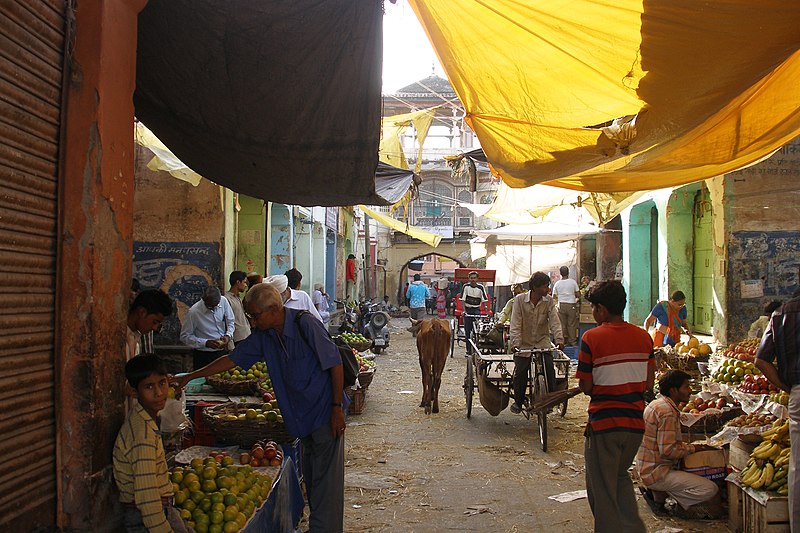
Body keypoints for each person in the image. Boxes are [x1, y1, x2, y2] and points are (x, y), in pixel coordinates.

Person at [174, 284, 346, 533]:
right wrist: (191, 376)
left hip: (324, 411)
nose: (252, 323)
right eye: (249, 317)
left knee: (327, 482)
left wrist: (337, 408)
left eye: (255, 316)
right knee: (314, 478)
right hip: (300, 416)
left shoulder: (305, 323)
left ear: (275, 309)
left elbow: (335, 363)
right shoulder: (265, 336)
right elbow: (232, 359)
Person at [576, 280, 654, 533]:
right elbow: (648, 382)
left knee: (601, 490)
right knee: (620, 479)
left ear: (601, 309)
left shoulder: (591, 337)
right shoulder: (644, 337)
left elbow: (587, 386)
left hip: (605, 424)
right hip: (634, 423)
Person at [114, 355, 188, 533]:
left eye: (162, 383)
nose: (159, 393)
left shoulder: (146, 420)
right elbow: (147, 497)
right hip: (146, 517)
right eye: (149, 386)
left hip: (159, 510)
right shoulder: (142, 436)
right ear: (133, 391)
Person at [636, 370, 722, 518]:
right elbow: (668, 451)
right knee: (709, 489)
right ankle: (674, 502)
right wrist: (694, 448)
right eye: (686, 387)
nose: (689, 391)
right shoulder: (667, 412)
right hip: (656, 472)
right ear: (673, 390)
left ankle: (659, 495)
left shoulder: (657, 404)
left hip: (647, 466)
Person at [755, 291, 800, 531]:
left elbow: (761, 360)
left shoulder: (781, 314)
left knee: (797, 466)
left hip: (798, 393)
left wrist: (788, 387)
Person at [509, 272, 563, 413]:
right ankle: (518, 402)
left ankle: (550, 400)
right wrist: (515, 343)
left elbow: (554, 321)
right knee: (520, 372)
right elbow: (515, 324)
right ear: (535, 287)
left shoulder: (549, 301)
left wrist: (559, 339)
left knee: (549, 369)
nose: (547, 290)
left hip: (542, 341)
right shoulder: (520, 300)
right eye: (545, 287)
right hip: (524, 343)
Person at [179, 286, 234, 370]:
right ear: (204, 300)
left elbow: (231, 321)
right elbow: (185, 336)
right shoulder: (194, 312)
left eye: (216, 306)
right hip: (203, 355)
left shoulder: (224, 301)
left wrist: (228, 335)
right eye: (210, 306)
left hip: (221, 353)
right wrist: (205, 343)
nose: (213, 309)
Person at [127, 289, 173, 361]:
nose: (155, 328)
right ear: (142, 312)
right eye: (154, 322)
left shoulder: (135, 338)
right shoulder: (119, 338)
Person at [552, 266, 581, 346]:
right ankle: (572, 342)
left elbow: (554, 296)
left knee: (562, 324)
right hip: (571, 304)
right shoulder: (573, 282)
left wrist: (560, 297)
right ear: (568, 273)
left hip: (561, 304)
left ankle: (562, 342)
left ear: (561, 273)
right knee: (571, 324)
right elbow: (578, 295)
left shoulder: (557, 284)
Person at [461, 271, 488, 355]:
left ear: (477, 279)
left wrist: (486, 313)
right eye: (471, 278)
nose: (473, 280)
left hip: (476, 310)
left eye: (474, 278)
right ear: (469, 279)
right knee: (467, 331)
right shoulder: (465, 286)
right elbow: (463, 300)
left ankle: (478, 347)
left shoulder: (481, 287)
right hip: (468, 310)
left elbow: (484, 301)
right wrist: (464, 311)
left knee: (479, 329)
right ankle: (468, 350)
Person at [224, 271, 251, 347]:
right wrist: (230, 344)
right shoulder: (227, 299)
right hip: (237, 338)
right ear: (238, 282)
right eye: (244, 282)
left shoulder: (238, 298)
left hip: (246, 335)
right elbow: (227, 321)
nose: (245, 285)